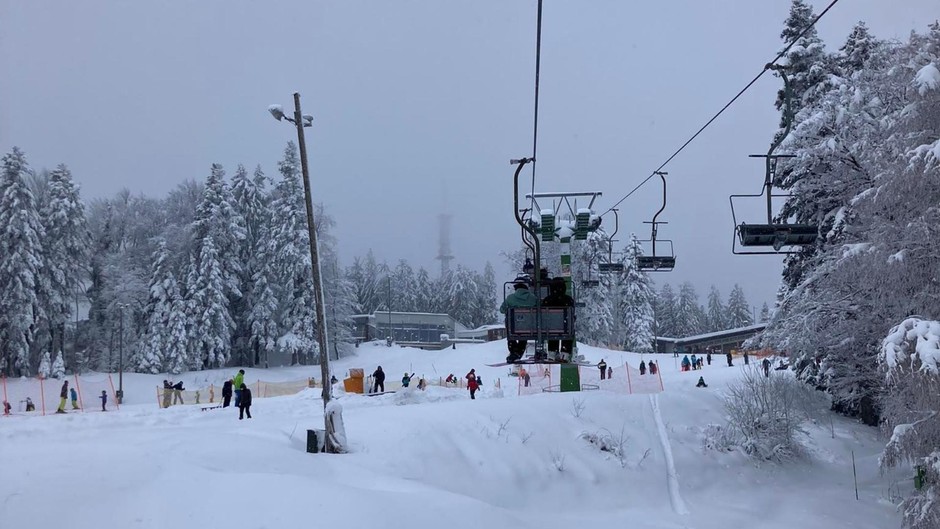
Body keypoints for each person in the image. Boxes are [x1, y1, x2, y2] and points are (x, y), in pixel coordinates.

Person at [499, 276, 539, 363]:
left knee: (511, 335)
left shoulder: (510, 298)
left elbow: (502, 310)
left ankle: (514, 353)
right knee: (523, 337)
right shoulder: (533, 298)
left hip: (513, 327)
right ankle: (517, 353)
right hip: (529, 328)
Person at [543, 277, 575, 357]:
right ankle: (565, 353)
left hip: (550, 328)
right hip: (565, 328)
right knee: (568, 330)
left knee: (552, 331)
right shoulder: (568, 300)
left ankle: (552, 351)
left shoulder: (547, 300)